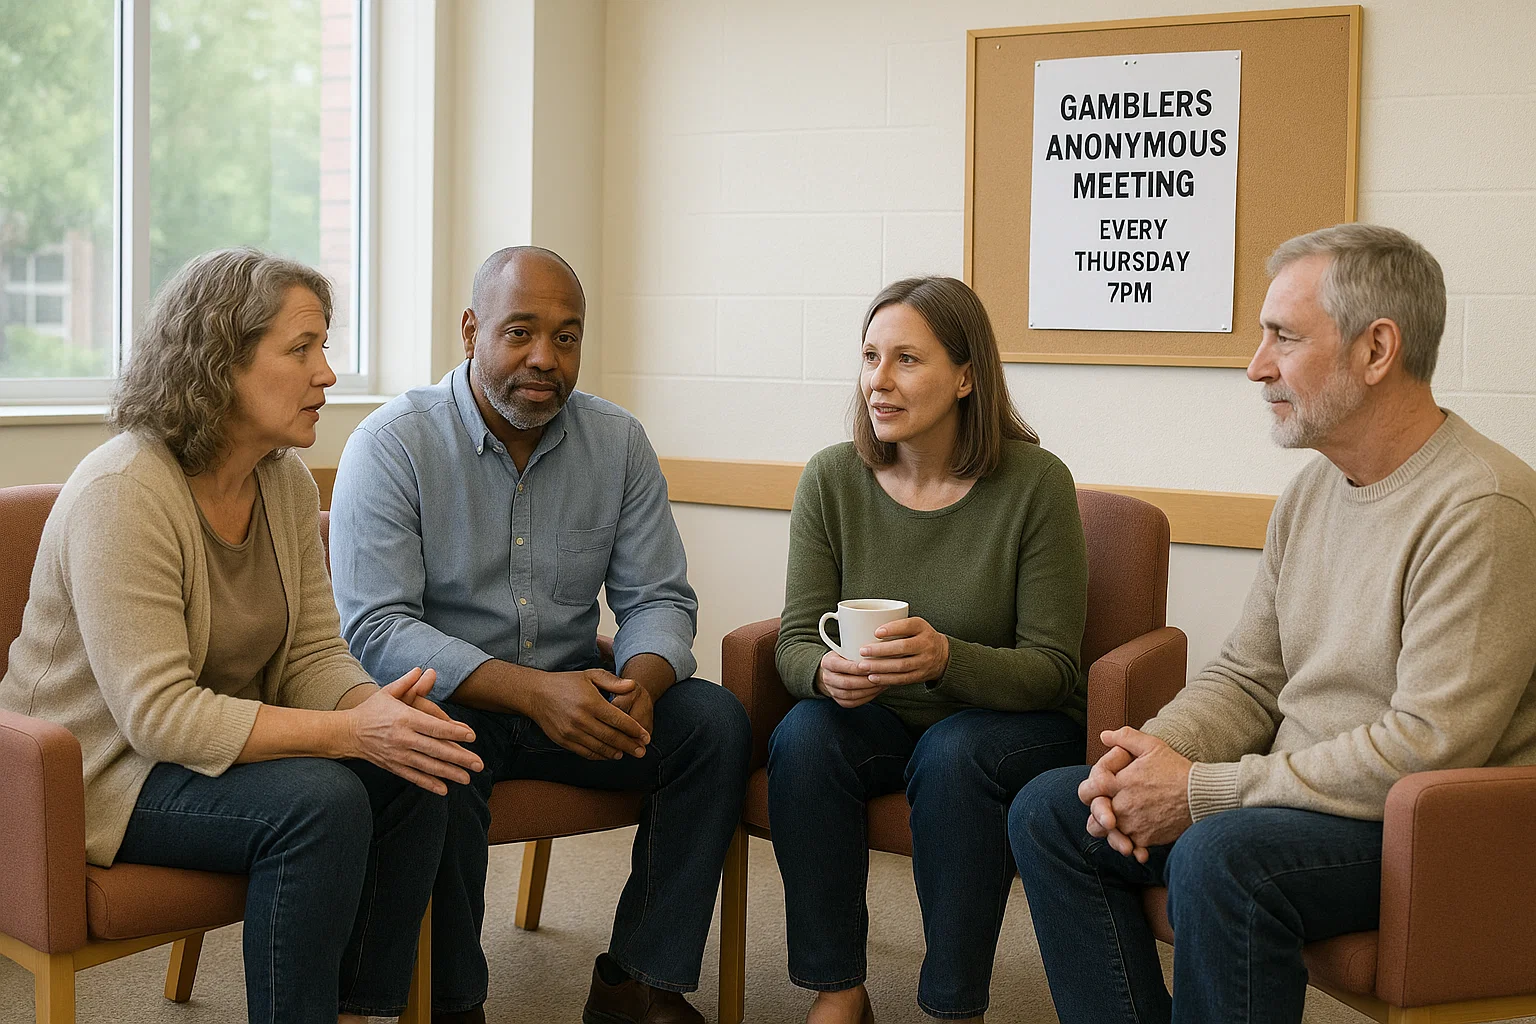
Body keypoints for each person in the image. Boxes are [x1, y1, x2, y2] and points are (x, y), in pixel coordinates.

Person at [1009, 224, 1536, 1024]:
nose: (1256, 365)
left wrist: (1203, 792)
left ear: (1376, 349)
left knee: (1224, 860)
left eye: (1283, 338)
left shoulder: (1481, 507)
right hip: (1300, 797)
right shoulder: (1314, 491)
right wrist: (1153, 759)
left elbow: (1429, 746)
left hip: (1428, 831)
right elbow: (1250, 675)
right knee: (1053, 810)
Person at [0, 248, 481, 1024]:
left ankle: (353, 1010)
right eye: (302, 349)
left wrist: (380, 716)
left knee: (420, 771)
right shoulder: (124, 491)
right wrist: (349, 734)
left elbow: (314, 654)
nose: (327, 373)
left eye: (325, 346)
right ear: (218, 363)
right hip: (91, 773)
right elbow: (157, 716)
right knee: (321, 802)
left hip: (202, 750)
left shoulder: (283, 479)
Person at [328, 245, 751, 1024]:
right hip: (456, 701)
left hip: (581, 700)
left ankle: (640, 981)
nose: (544, 358)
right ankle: (456, 1004)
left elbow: (658, 597)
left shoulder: (617, 442)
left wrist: (642, 685)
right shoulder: (393, 444)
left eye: (566, 337)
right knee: (435, 750)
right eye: (520, 331)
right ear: (470, 330)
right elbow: (377, 628)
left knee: (714, 724)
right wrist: (533, 693)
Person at [769, 276, 1089, 1024]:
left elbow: (1054, 669)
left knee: (952, 755)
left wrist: (948, 659)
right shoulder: (831, 478)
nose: (879, 380)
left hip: (1006, 722)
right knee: (804, 736)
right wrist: (825, 672)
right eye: (870, 356)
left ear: (967, 375)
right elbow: (792, 639)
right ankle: (837, 988)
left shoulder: (1036, 484)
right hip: (879, 714)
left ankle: (954, 1006)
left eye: (906, 359)